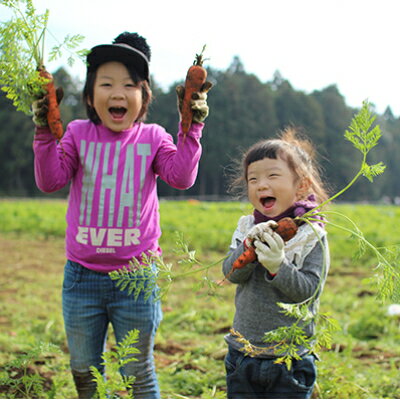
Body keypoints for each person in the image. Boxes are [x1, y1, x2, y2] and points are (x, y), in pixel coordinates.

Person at [31, 32, 211, 399]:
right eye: (107, 83)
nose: (118, 93)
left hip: (138, 279)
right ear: (90, 96)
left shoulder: (153, 138)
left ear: (144, 97)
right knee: (85, 373)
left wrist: (191, 127)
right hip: (82, 279)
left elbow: (181, 177)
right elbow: (50, 180)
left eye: (130, 85)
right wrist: (43, 131)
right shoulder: (78, 135)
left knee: (137, 373)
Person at [222, 128, 330, 399]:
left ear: (301, 185)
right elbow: (230, 274)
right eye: (253, 179)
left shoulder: (311, 235)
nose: (261, 184)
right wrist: (248, 249)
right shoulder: (248, 226)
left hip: (290, 358)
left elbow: (308, 289)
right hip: (243, 352)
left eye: (272, 175)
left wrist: (278, 266)